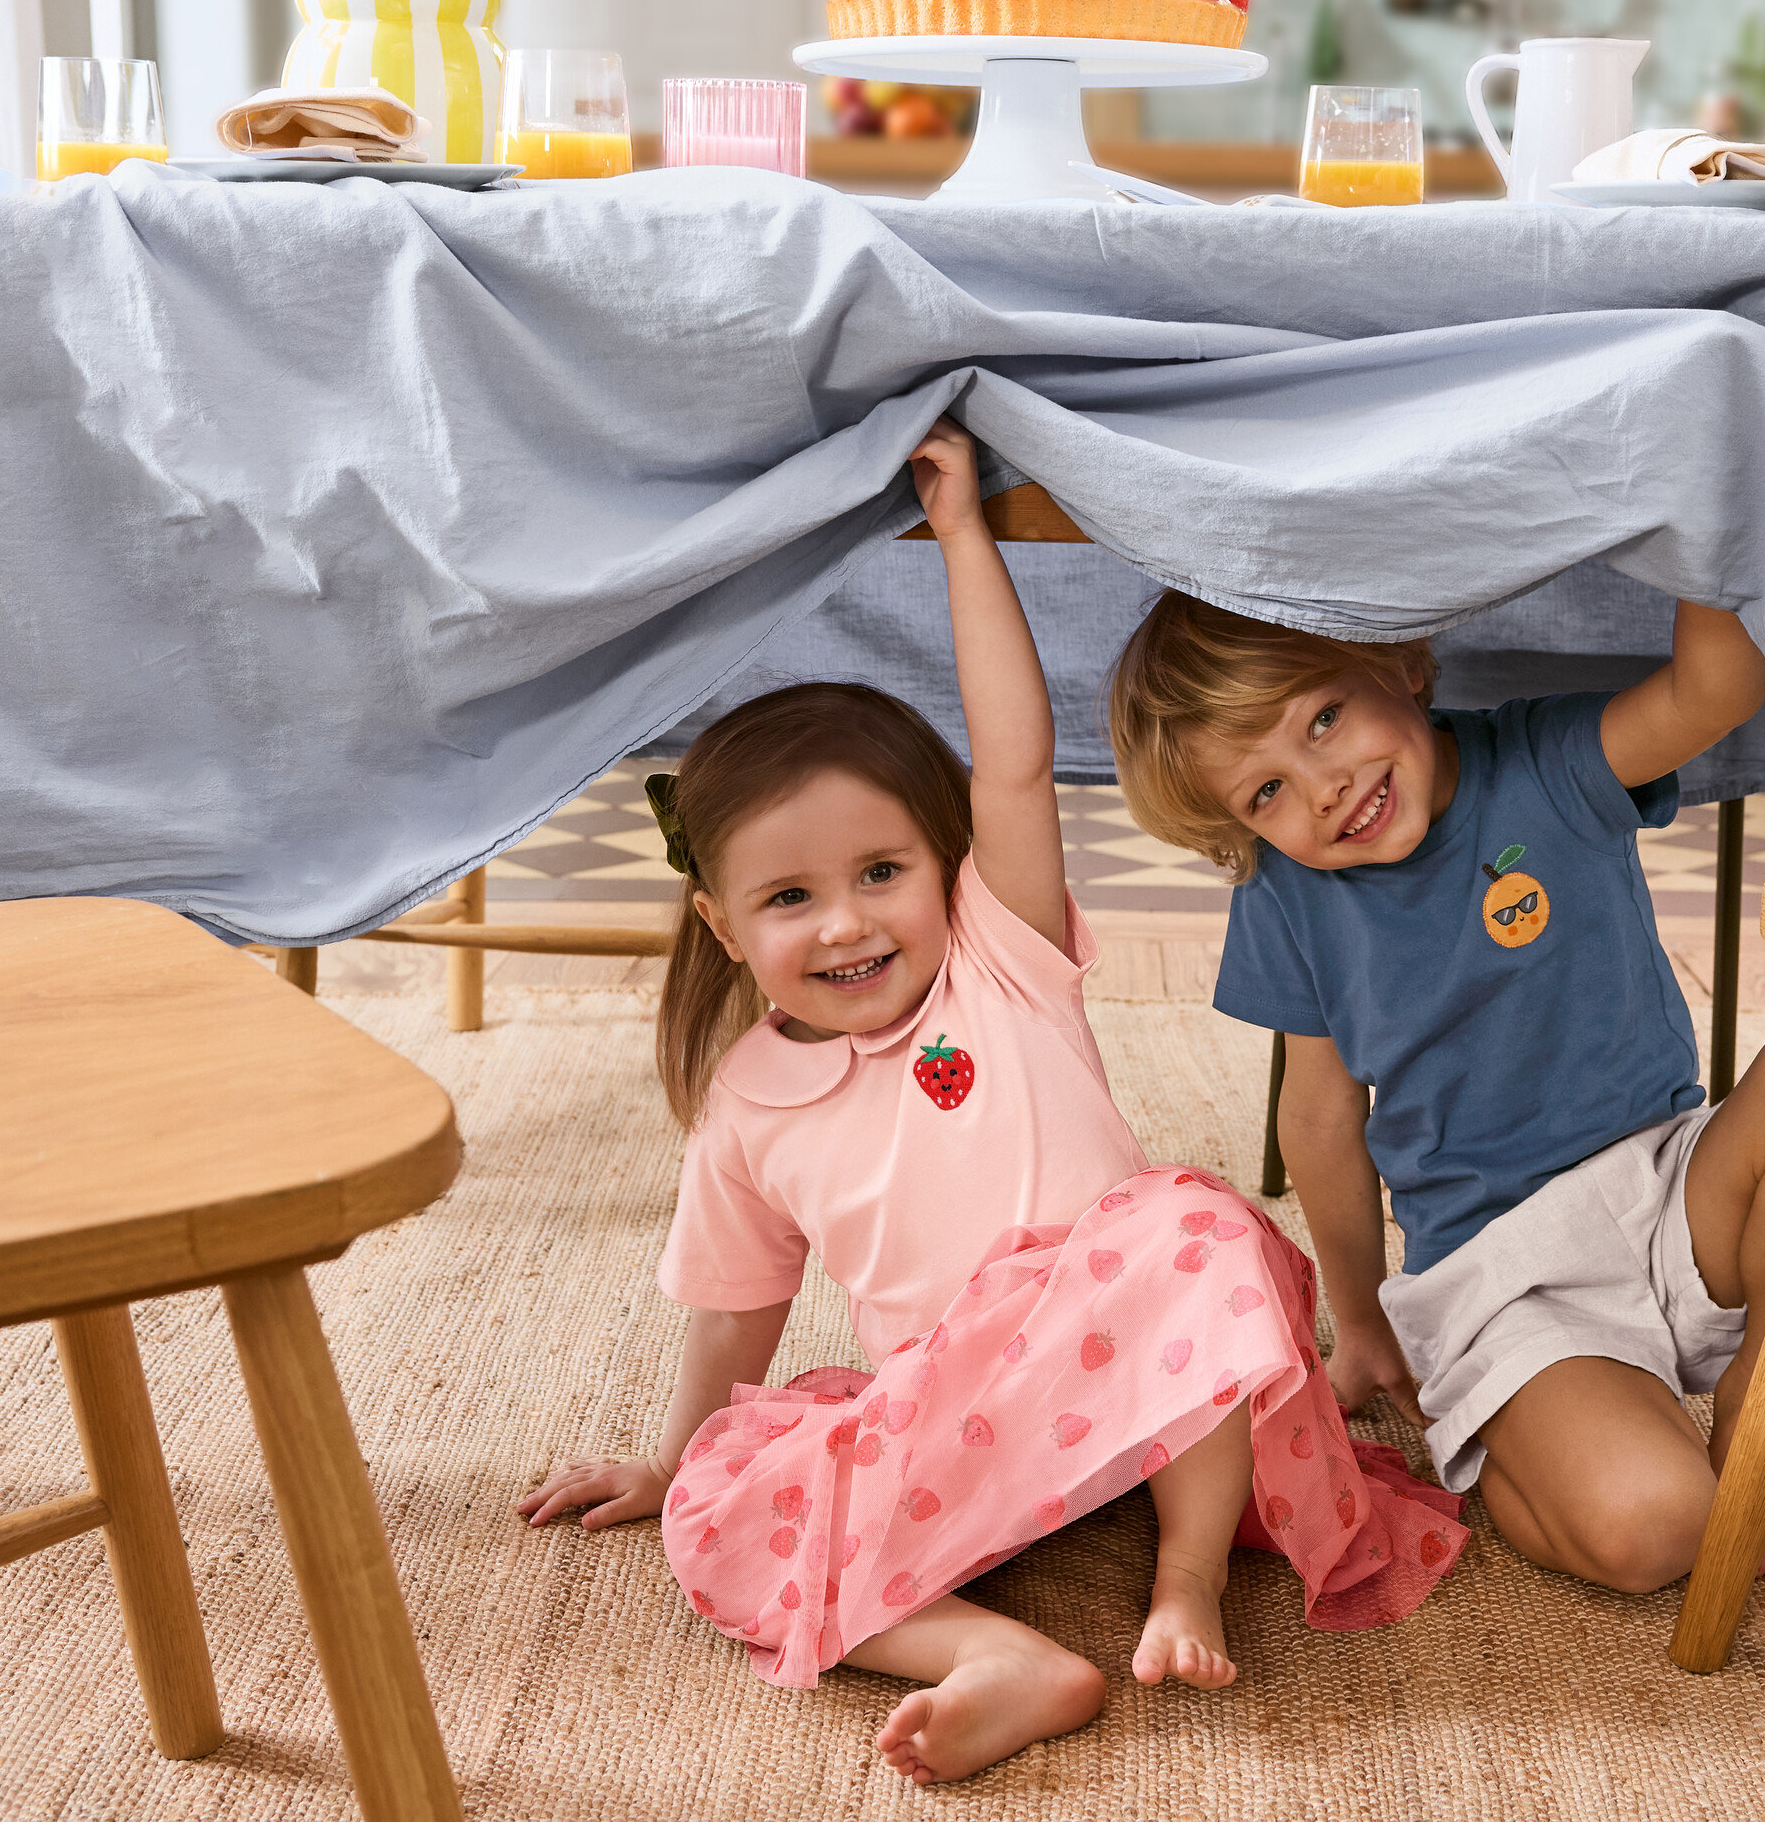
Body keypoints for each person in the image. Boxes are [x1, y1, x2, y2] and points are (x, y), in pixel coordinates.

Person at [519, 421, 1464, 1786]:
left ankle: (1183, 1575)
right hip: (957, 1414)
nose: (846, 923)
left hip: (1137, 1372)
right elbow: (738, 1312)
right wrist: (674, 1463)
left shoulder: (996, 954)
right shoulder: (747, 1106)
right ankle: (994, 1653)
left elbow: (1013, 756)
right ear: (726, 931)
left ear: (945, 864)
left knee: (1193, 1218)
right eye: (790, 899)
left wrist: (966, 535)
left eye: (882, 871)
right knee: (722, 1508)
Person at [1103, 590, 1765, 1595]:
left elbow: (1717, 689)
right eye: (1264, 793)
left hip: (1672, 1190)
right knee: (1664, 1531)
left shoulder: (1546, 760)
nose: (1325, 787)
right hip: (1505, 1275)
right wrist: (1366, 1323)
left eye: (1324, 719)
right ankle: (1506, 1442)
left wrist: (1707, 491)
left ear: (1399, 664)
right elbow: (1318, 1115)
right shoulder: (1288, 890)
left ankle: (1760, 1398)